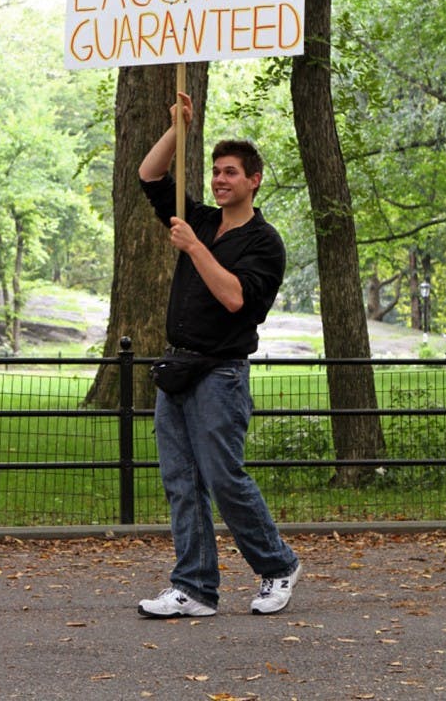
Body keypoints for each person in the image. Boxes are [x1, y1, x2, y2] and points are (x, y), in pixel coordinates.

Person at [137, 91, 301, 619]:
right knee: (181, 484)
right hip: (177, 369)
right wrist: (178, 130)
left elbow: (235, 299)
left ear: (254, 180)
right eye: (214, 171)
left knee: (224, 480)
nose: (219, 180)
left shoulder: (264, 242)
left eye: (230, 172)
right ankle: (195, 588)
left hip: (220, 374)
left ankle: (278, 566)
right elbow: (149, 176)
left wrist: (193, 247)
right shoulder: (201, 220)